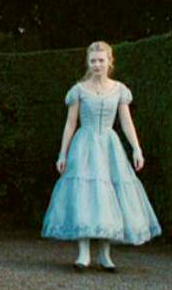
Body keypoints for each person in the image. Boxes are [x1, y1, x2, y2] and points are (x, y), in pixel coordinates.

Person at [42, 41, 162, 272]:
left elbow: (126, 122)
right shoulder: (79, 90)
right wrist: (62, 154)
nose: (97, 64)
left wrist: (136, 148)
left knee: (109, 198)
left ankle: (105, 255)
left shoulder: (119, 89)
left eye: (101, 60)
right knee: (85, 196)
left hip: (109, 147)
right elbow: (70, 124)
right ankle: (83, 254)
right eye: (93, 61)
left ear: (109, 62)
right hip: (84, 147)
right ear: (88, 63)